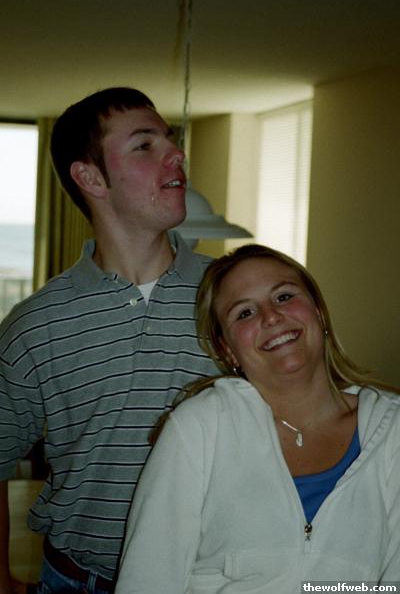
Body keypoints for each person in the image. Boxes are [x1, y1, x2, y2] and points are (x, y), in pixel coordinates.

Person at [0, 87, 218, 594]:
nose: (176, 153)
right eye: (145, 145)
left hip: (213, 579)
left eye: (170, 139)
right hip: (79, 581)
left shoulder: (235, 297)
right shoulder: (34, 325)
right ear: (91, 178)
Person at [116, 243, 400, 593]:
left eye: (284, 297)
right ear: (227, 349)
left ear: (318, 312)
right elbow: (147, 579)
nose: (270, 316)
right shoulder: (198, 427)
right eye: (245, 313)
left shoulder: (393, 430)